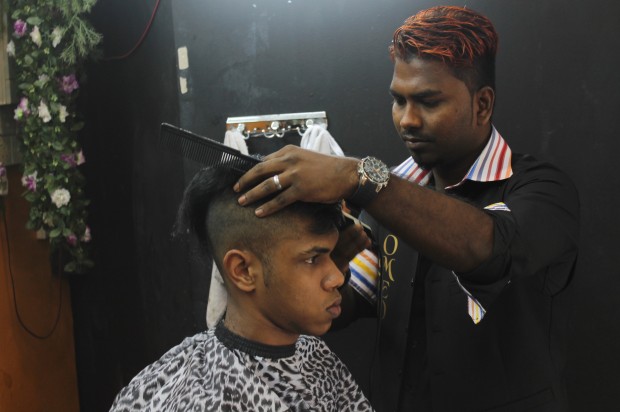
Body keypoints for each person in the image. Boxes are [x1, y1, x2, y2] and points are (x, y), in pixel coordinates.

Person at [234, 5, 580, 412]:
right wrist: (325, 264)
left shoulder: (542, 190)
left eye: (428, 102)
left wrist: (359, 177)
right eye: (398, 100)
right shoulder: (389, 193)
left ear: (482, 104)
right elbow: (347, 304)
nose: (407, 120)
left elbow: (492, 249)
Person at [109, 165, 374, 411]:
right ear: (243, 271)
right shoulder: (205, 398)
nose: (337, 278)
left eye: (331, 255)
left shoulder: (315, 355)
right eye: (312, 259)